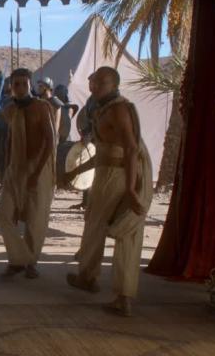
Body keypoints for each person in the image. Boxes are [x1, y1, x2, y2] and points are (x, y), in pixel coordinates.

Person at [65, 66, 153, 317]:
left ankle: (122, 296)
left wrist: (131, 189)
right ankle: (88, 277)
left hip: (120, 175)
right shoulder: (102, 109)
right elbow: (104, 152)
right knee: (95, 223)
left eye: (101, 83)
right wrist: (77, 170)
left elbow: (131, 148)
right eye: (93, 81)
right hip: (108, 173)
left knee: (123, 231)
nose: (94, 86)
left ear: (114, 85)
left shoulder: (119, 109)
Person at [0, 68, 55, 279]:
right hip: (15, 168)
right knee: (4, 214)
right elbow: (9, 140)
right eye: (16, 84)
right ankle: (19, 259)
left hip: (38, 166)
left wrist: (36, 173)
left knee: (35, 218)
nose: (20, 88)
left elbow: (50, 141)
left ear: (30, 85)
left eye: (24, 83)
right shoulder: (9, 110)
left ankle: (30, 263)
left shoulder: (41, 107)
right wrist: (5, 169)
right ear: (11, 87)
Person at [70, 74, 97, 210]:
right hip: (90, 139)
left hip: (101, 141)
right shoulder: (92, 99)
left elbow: (101, 122)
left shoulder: (102, 101)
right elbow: (86, 118)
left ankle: (94, 203)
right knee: (88, 170)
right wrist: (85, 134)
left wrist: (91, 134)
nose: (90, 85)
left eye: (92, 82)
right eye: (89, 82)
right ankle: (86, 202)